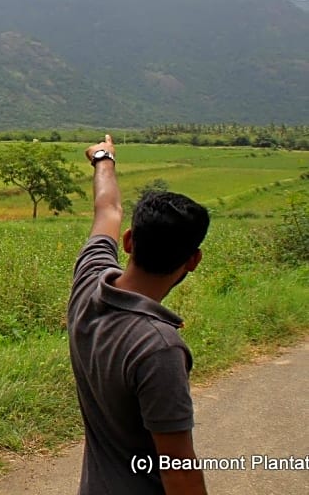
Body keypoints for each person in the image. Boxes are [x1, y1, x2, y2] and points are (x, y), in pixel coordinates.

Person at [68, 135, 211, 495]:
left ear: (129, 242)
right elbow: (178, 469)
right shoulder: (159, 348)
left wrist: (104, 158)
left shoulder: (89, 281)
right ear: (193, 261)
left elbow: (107, 209)